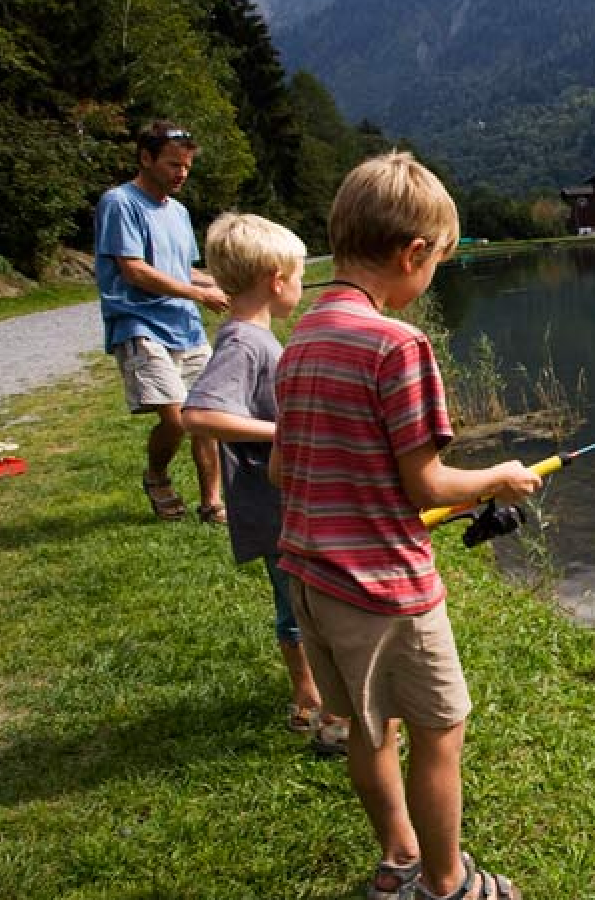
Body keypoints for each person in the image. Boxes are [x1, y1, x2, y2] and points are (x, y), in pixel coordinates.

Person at [271, 152, 539, 900]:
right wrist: (500, 476)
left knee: (367, 726)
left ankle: (398, 859)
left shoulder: (301, 342)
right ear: (412, 253)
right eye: (437, 265)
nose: (431, 282)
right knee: (439, 731)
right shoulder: (399, 346)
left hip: (310, 580)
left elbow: (285, 474)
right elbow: (425, 480)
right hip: (383, 588)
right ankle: (447, 884)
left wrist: (411, 500)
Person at [180, 213, 347, 756]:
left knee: (301, 597)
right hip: (271, 501)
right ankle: (308, 698)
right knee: (294, 602)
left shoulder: (251, 335)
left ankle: (315, 692)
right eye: (299, 274)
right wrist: (284, 429)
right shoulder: (245, 343)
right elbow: (199, 415)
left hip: (283, 497)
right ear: (277, 280)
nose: (302, 284)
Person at [95, 120, 230, 524]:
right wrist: (200, 295)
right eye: (173, 165)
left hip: (185, 327)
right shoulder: (120, 203)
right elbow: (134, 269)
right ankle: (156, 475)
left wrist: (226, 283)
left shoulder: (179, 212)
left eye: (186, 166)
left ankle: (212, 504)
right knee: (176, 418)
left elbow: (182, 270)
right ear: (145, 158)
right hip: (139, 324)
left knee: (206, 415)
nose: (181, 174)